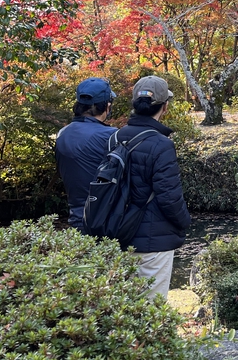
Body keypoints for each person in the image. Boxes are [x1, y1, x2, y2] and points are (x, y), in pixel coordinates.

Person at [116, 75, 192, 299]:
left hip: (118, 233)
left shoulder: (115, 138)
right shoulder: (162, 144)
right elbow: (169, 197)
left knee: (124, 307)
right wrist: (184, 222)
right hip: (153, 240)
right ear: (165, 106)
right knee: (152, 308)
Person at [55, 77, 118, 230]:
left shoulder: (62, 134)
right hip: (108, 221)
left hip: (76, 219)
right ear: (107, 106)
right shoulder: (111, 136)